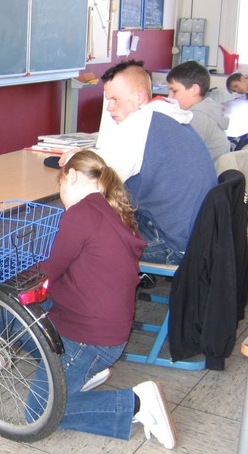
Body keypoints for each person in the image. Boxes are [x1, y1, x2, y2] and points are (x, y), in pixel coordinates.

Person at [33, 150, 176, 449]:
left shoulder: (80, 214)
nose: (61, 196)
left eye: (60, 186)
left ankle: (135, 404)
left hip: (89, 337)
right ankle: (75, 376)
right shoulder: (109, 209)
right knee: (23, 317)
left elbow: (43, 272)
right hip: (107, 330)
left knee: (38, 412)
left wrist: (3, 264)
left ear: (71, 176)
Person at [92, 60, 217, 265]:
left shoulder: (138, 124)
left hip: (173, 243)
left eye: (115, 99)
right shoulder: (167, 116)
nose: (109, 108)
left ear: (139, 97)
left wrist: (74, 158)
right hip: (199, 236)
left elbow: (99, 182)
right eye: (108, 100)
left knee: (88, 241)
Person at [166, 61, 231, 163]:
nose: (169, 97)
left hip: (209, 175)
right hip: (215, 171)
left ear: (194, 90)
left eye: (174, 91)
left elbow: (183, 155)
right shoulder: (207, 107)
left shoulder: (197, 116)